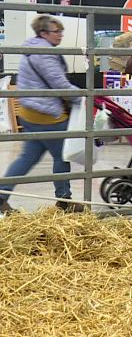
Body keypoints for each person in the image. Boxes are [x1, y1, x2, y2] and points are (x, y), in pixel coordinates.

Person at [0, 16, 84, 215]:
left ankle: (1, 197)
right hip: (46, 114)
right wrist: (84, 98)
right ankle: (64, 201)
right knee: (62, 156)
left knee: (27, 158)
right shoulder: (44, 53)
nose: (61, 35)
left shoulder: (34, 49)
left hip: (31, 113)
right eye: (57, 32)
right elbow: (59, 83)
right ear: (44, 33)